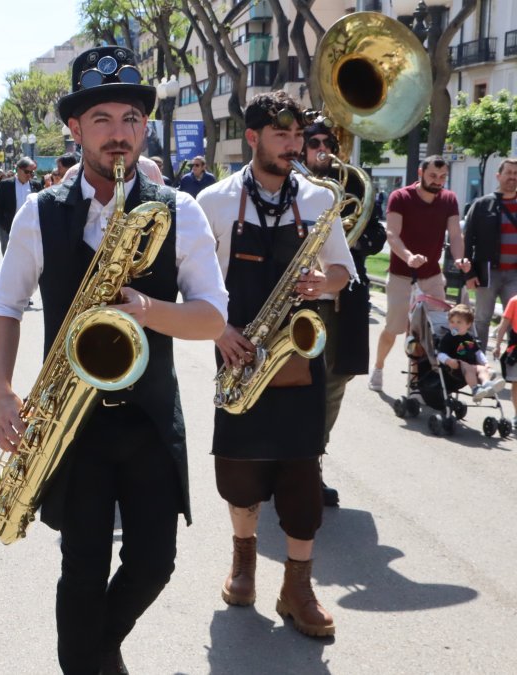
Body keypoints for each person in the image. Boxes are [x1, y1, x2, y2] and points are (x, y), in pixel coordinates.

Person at [0, 46, 227, 674]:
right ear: (75, 128)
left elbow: (211, 318)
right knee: (82, 568)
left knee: (154, 563)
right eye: (102, 120)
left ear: (144, 127)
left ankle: (95, 655)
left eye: (130, 119)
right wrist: (0, 390)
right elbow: (4, 305)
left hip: (149, 418)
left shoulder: (181, 210)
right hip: (73, 423)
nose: (119, 133)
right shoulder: (38, 213)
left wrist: (146, 308)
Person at [198, 90, 354, 640]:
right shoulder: (214, 201)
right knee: (239, 471)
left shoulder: (317, 198)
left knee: (302, 475)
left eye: (297, 136)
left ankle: (298, 588)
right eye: (281, 135)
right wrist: (219, 330)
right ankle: (243, 562)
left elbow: (344, 272)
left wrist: (325, 281)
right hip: (238, 352)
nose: (293, 145)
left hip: (300, 357)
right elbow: (191, 282)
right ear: (252, 138)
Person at [301, 120, 386, 508]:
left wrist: (344, 237)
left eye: (328, 142)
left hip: (343, 301)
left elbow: (376, 237)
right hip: (300, 301)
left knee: (334, 386)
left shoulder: (353, 183)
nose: (322, 148)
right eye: (313, 142)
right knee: (293, 384)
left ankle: (311, 467)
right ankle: (286, 465)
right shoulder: (291, 184)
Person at [369, 156, 468, 392]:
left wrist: (459, 258)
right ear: (420, 173)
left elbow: (455, 234)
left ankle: (418, 381)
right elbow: (392, 234)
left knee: (431, 331)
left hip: (432, 276)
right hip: (402, 275)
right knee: (394, 328)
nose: (438, 181)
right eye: (433, 176)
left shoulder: (449, 199)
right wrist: (408, 256)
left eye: (442, 177)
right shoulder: (400, 197)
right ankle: (379, 367)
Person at [463, 158, 517, 350]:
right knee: (482, 319)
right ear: (498, 176)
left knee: (515, 321)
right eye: (508, 172)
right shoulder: (482, 204)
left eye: (516, 173)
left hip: (514, 275)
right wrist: (469, 273)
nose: (512, 177)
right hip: (487, 273)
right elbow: (468, 240)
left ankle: (512, 362)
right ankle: (478, 361)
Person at [438, 304, 503, 400]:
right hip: (455, 368)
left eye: (459, 322)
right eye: (452, 322)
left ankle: (487, 385)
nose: (454, 325)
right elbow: (440, 353)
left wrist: (486, 363)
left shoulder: (469, 337)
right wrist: (448, 360)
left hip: (471, 367)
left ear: (468, 324)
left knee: (481, 369)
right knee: (467, 366)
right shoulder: (449, 337)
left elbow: (478, 352)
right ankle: (475, 389)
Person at [0, 156, 41, 256]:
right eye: (27, 172)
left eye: (31, 172)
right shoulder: (6, 184)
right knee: (9, 254)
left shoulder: (36, 185)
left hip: (29, 228)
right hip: (9, 227)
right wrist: (2, 224)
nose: (29, 175)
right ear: (19, 169)